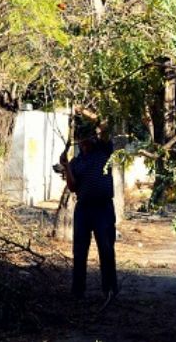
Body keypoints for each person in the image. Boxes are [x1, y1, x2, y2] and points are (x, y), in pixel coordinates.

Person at [60, 127, 118, 304]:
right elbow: (72, 187)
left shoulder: (104, 151)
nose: (84, 143)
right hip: (84, 209)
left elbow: (106, 132)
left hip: (103, 207)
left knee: (106, 249)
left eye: (86, 138)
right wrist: (67, 167)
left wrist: (97, 127)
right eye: (81, 139)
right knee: (79, 250)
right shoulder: (77, 162)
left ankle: (109, 290)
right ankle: (78, 291)